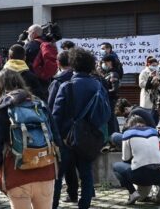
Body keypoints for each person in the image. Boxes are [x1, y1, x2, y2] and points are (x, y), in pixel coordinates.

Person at [0, 69, 60, 209]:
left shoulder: (0, 108)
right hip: (45, 169)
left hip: (17, 172)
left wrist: (0, 167)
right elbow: (56, 138)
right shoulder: (39, 104)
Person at [51, 48, 111, 209]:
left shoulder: (66, 86)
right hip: (88, 137)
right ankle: (84, 205)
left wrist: (56, 138)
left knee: (58, 176)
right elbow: (106, 113)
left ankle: (53, 205)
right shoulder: (98, 86)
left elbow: (56, 115)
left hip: (66, 139)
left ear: (73, 64)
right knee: (86, 173)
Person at [112, 115, 160, 205]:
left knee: (116, 167)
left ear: (129, 125)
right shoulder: (153, 131)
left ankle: (132, 193)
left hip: (142, 174)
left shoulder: (128, 133)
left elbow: (125, 158)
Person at [46, 50, 78, 203]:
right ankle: (73, 194)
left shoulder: (57, 82)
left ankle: (54, 202)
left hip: (62, 131)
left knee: (58, 170)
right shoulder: (78, 78)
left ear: (58, 63)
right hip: (78, 130)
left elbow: (52, 109)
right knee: (73, 165)